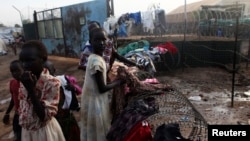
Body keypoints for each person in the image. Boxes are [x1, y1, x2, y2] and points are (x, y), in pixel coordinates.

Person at [80, 27, 125, 141]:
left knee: (92, 129)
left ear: (107, 41)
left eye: (103, 40)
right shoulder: (96, 62)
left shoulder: (93, 57)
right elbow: (102, 88)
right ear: (90, 41)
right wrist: (119, 82)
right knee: (99, 128)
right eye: (97, 40)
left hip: (91, 99)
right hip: (96, 101)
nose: (101, 43)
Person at [18, 40, 65, 141]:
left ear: (43, 60)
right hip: (27, 131)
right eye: (22, 61)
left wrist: (31, 90)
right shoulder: (25, 79)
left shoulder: (52, 83)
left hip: (44, 132)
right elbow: (23, 106)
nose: (24, 65)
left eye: (30, 60)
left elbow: (44, 116)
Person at [44, 60, 81, 141]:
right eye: (44, 72)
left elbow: (76, 93)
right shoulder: (42, 88)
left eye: (49, 71)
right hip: (54, 124)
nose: (47, 74)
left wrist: (72, 88)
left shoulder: (63, 82)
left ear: (54, 70)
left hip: (67, 120)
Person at [2, 60, 23, 141]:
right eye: (12, 72)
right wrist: (7, 112)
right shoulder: (12, 83)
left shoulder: (28, 83)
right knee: (17, 133)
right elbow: (13, 99)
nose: (14, 73)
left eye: (17, 70)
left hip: (27, 116)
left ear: (23, 69)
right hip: (17, 114)